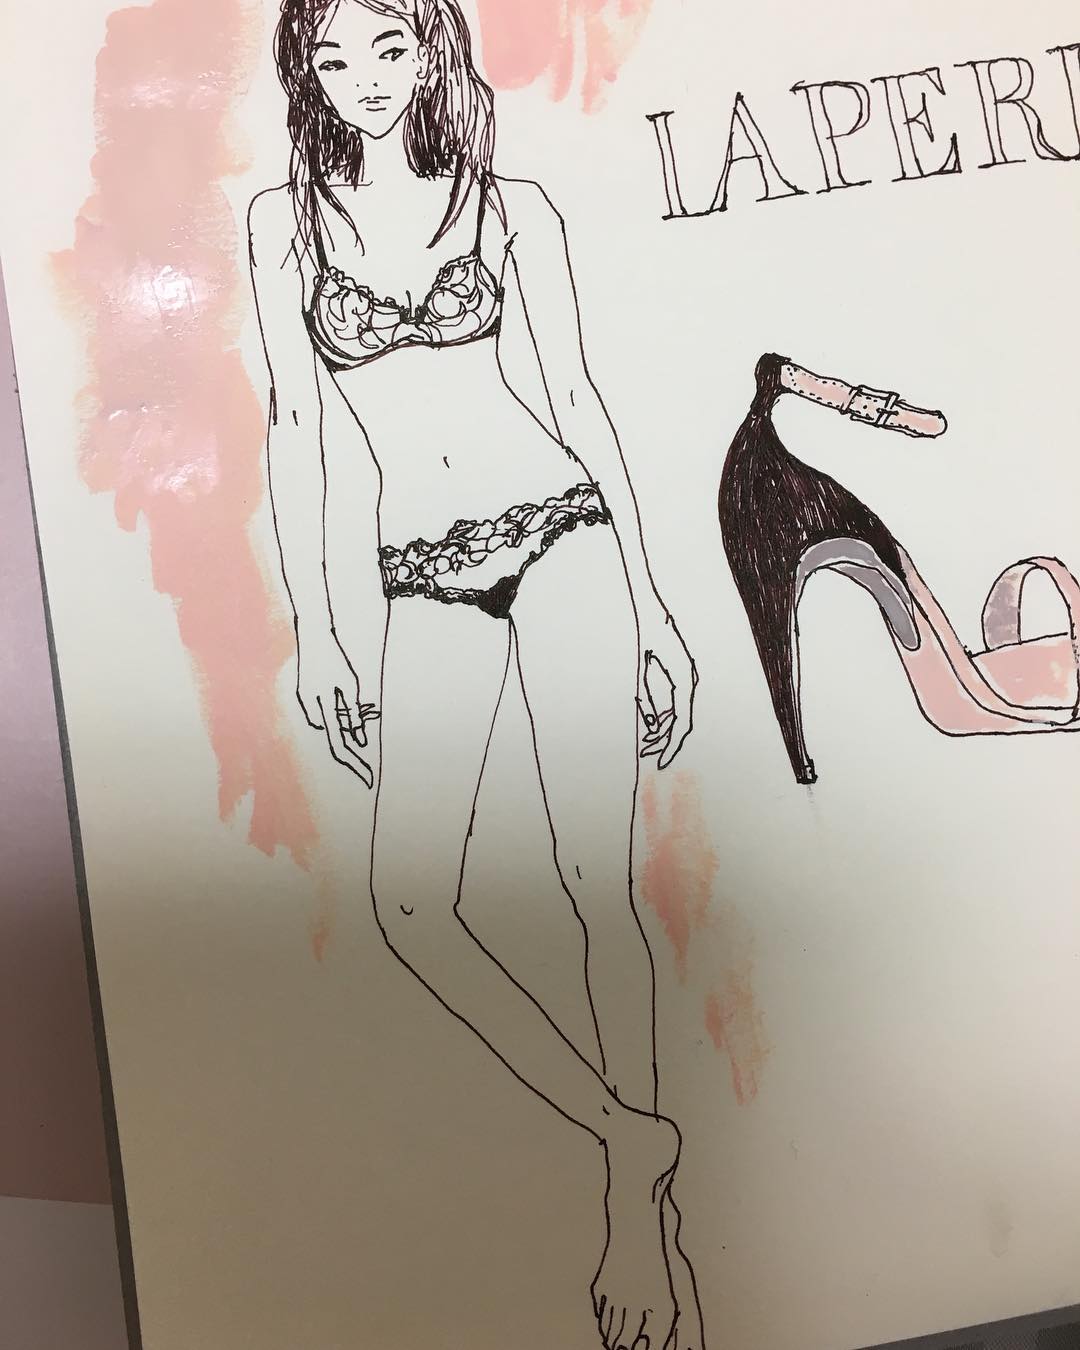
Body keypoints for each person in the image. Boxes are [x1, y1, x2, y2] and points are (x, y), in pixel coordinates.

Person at [248, 3, 703, 1346]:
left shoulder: (513, 208)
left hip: (561, 532)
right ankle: (629, 1135)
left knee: (593, 884)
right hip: (418, 571)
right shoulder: (283, 226)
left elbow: (578, 404)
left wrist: (656, 611)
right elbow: (296, 430)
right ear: (305, 73)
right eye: (334, 57)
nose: (364, 79)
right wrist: (321, 630)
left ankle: (636, 1222)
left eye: (389, 47)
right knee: (408, 901)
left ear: (433, 51)